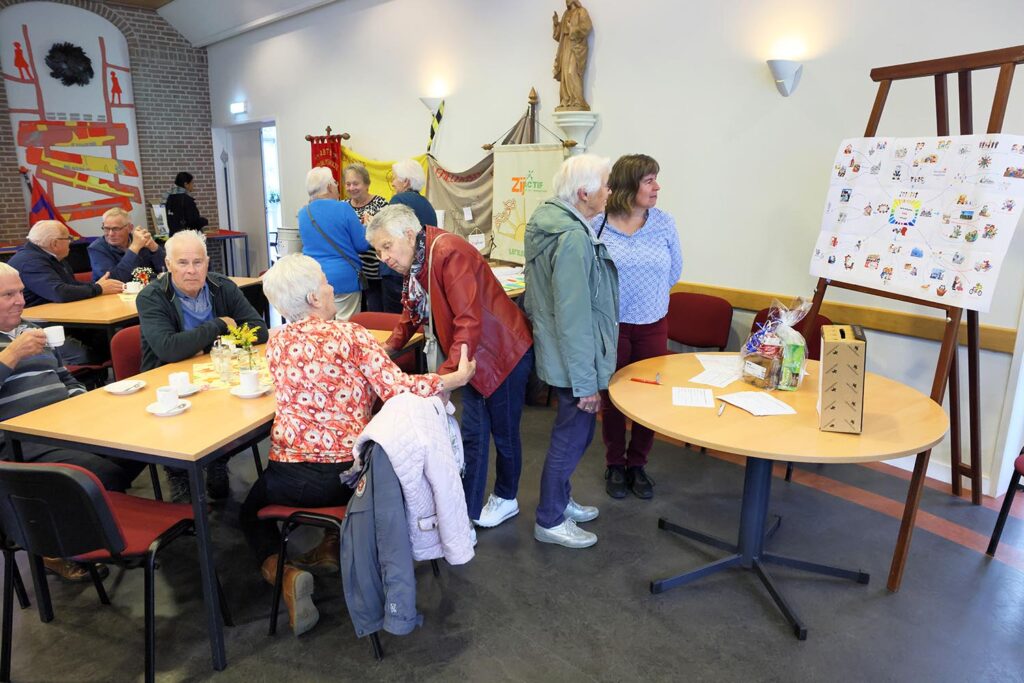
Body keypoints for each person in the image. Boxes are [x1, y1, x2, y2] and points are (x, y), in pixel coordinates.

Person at [241, 253, 476, 636]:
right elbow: (398, 388)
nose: (331, 286)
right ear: (315, 299)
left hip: (287, 476)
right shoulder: (352, 335)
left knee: (247, 511)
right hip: (346, 478)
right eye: (324, 281)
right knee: (346, 487)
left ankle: (285, 574)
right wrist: (454, 379)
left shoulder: (276, 341)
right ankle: (334, 542)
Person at [369, 205, 534, 530]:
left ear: (407, 233)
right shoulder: (417, 262)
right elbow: (411, 313)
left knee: (504, 433)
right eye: (377, 251)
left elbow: (468, 319)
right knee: (473, 434)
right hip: (472, 356)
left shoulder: (447, 251)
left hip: (502, 353)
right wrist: (388, 348)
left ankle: (507, 497)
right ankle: (468, 513)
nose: (383, 257)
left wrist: (446, 380)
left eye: (386, 246)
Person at [0, 262, 145, 581]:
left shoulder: (31, 328)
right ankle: (59, 543)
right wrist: (11, 355)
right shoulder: (18, 343)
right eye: (9, 294)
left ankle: (90, 527)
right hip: (20, 444)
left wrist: (81, 402)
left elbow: (65, 376)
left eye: (21, 292)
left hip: (65, 426)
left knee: (143, 442)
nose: (21, 300)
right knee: (101, 472)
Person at [523, 153, 617, 549]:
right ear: (584, 193)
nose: (610, 192)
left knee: (572, 435)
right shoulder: (573, 237)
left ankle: (560, 500)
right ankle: (549, 518)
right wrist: (586, 384)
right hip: (574, 361)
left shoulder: (553, 224)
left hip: (562, 355)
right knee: (571, 438)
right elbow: (574, 316)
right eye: (606, 185)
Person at [136, 230, 268, 502]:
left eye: (198, 262)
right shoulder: (152, 296)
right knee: (180, 434)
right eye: (183, 263)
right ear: (168, 264)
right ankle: (182, 484)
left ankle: (219, 461)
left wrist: (199, 345)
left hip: (218, 377)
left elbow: (259, 330)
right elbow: (169, 349)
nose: (192, 270)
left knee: (243, 414)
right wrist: (219, 325)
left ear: (208, 263)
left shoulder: (222, 287)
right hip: (168, 383)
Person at [592, 154, 682, 500]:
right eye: (649, 180)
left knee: (648, 395)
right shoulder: (598, 224)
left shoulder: (664, 223)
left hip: (653, 324)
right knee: (612, 396)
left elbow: (675, 271)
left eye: (656, 179)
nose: (657, 187)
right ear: (630, 185)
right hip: (612, 326)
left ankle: (637, 464)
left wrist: (648, 296)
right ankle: (615, 463)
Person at [9, 220, 124, 364]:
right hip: (36, 326)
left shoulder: (53, 257)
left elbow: (71, 285)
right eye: (68, 238)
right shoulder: (30, 262)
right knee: (87, 354)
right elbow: (60, 293)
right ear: (54, 243)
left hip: (63, 319)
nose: (70, 242)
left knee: (110, 340)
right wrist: (99, 288)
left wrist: (97, 286)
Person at [298, 167, 369, 321]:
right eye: (336, 183)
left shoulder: (303, 213)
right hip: (345, 279)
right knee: (346, 327)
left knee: (322, 327)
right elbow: (362, 245)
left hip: (315, 278)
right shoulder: (343, 208)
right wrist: (366, 227)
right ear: (330, 186)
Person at [341, 163, 393, 313]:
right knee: (357, 316)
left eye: (356, 183)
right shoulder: (343, 206)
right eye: (348, 184)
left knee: (376, 312)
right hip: (351, 273)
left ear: (367, 184)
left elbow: (389, 236)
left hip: (375, 274)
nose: (351, 188)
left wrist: (371, 228)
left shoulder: (381, 203)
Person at [388, 159, 438, 313]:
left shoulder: (398, 200)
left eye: (396, 178)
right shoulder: (426, 203)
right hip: (421, 270)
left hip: (398, 271)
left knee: (393, 319)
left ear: (406, 182)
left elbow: (390, 236)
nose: (393, 183)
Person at [88, 207, 166, 283]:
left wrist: (155, 248)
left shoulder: (142, 241)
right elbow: (113, 280)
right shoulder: (97, 249)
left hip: (148, 291)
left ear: (130, 228)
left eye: (116, 229)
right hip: (114, 295)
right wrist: (134, 248)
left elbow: (167, 270)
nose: (110, 234)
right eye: (106, 228)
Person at [552, 0, 593, 111]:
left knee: (572, 71)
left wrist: (572, 29)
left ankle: (578, 101)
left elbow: (587, 27)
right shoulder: (566, 14)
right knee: (565, 74)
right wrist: (556, 24)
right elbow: (558, 35)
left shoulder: (581, 12)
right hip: (565, 45)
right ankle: (566, 100)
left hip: (576, 46)